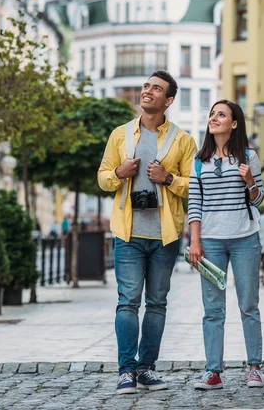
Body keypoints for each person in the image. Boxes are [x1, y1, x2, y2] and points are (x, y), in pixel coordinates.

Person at [98, 71, 197, 395]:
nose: (148, 91)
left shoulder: (182, 140)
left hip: (165, 235)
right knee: (127, 301)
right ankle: (126, 371)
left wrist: (168, 179)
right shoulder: (121, 135)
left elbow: (193, 186)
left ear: (168, 100)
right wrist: (118, 172)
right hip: (128, 233)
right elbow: (102, 178)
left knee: (156, 303)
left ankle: (146, 368)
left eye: (156, 89)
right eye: (146, 86)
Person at [188, 99, 264, 390]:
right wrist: (195, 242)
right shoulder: (199, 161)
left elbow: (258, 200)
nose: (214, 118)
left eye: (221, 114)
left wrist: (250, 182)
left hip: (245, 237)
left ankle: (254, 368)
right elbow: (195, 203)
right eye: (212, 114)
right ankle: (213, 372)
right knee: (213, 309)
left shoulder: (248, 157)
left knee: (248, 305)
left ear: (234, 124)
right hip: (210, 242)